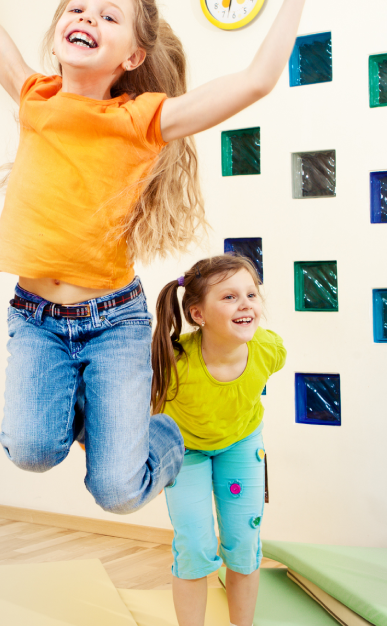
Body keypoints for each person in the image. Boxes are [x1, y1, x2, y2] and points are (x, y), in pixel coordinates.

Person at [0, 0, 329, 514]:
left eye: (108, 16)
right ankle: (103, 413)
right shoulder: (35, 97)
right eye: (77, 9)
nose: (86, 17)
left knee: (117, 492)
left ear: (133, 56)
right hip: (36, 319)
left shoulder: (142, 119)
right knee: (30, 450)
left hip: (112, 321)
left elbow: (255, 81)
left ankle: (165, 433)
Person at [152, 255, 285, 626]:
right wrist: (151, 460)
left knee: (244, 545)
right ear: (198, 314)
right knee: (194, 546)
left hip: (240, 445)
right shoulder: (175, 360)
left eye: (251, 294)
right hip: (185, 451)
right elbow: (145, 406)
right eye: (229, 297)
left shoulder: (270, 349)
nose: (245, 303)